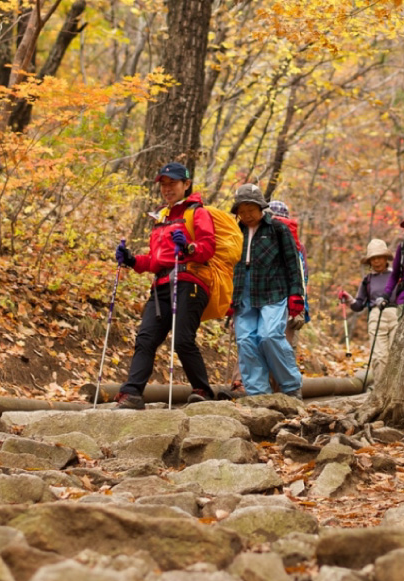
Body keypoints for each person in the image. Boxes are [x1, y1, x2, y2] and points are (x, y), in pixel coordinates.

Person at [112, 162, 216, 409]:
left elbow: (208, 248)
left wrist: (189, 247)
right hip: (160, 287)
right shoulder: (161, 217)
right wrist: (131, 260)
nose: (167, 188)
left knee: (182, 340)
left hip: (189, 282)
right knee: (145, 338)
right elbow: (155, 260)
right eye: (163, 184)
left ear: (186, 184)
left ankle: (203, 390)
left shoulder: (197, 213)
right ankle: (132, 393)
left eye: (173, 183)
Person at [228, 184, 305, 397]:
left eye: (250, 210)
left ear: (261, 207)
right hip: (243, 294)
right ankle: (258, 394)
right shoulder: (236, 231)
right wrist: (228, 297)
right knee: (245, 341)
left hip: (274, 290)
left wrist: (296, 295)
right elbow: (228, 266)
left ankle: (291, 387)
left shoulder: (278, 229)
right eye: (241, 211)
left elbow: (292, 262)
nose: (246, 215)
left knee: (269, 336)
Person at [342, 238, 396, 369]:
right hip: (376, 316)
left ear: (385, 258)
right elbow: (359, 305)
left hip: (396, 315)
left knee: (396, 355)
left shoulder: (396, 276)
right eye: (373, 258)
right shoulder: (368, 280)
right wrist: (349, 299)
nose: (376, 261)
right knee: (379, 356)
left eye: (379, 257)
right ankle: (380, 387)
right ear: (369, 262)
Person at [266, 200, 308, 337]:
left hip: (268, 301)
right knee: (286, 347)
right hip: (290, 303)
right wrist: (302, 309)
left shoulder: (261, 240)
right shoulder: (298, 246)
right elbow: (303, 277)